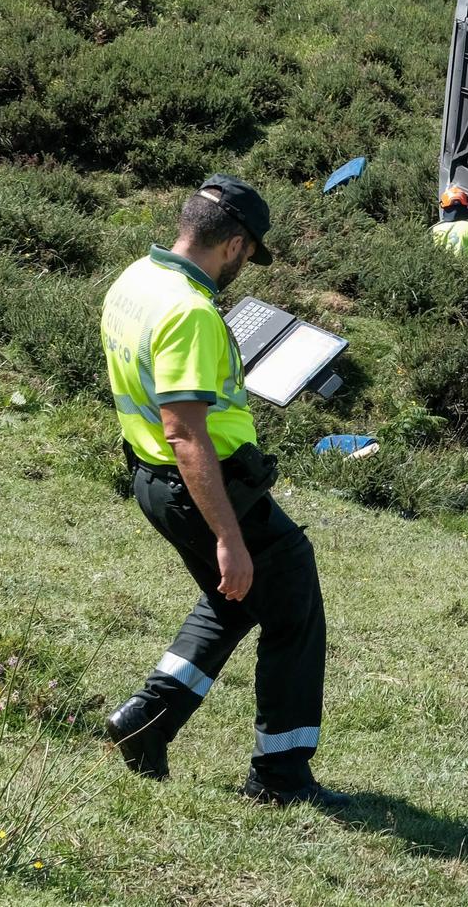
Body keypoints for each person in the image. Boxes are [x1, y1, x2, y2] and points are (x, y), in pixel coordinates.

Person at [99, 174, 347, 809]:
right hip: (204, 489)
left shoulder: (137, 281)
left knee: (233, 602)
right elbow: (186, 433)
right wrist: (230, 538)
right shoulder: (191, 312)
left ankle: (145, 725)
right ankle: (282, 776)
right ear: (235, 245)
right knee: (292, 596)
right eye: (250, 254)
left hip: (152, 479)